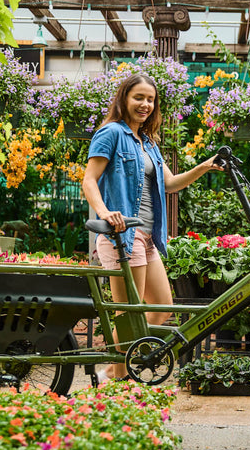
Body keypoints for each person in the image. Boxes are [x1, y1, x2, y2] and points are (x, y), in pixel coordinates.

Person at [82, 73, 219, 382]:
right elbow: (89, 181)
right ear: (124, 99)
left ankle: (115, 369)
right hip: (122, 236)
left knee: (162, 305)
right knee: (130, 312)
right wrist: (106, 213)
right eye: (138, 97)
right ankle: (118, 380)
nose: (145, 104)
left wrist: (204, 166)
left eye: (150, 99)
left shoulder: (149, 143)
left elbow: (169, 184)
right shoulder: (111, 134)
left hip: (147, 237)